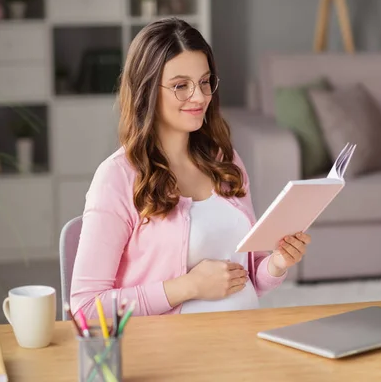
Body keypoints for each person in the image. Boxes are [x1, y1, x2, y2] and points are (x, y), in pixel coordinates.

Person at [70, 18, 311, 319]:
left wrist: (276, 263)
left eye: (205, 81)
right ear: (146, 90)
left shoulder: (225, 160)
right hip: (178, 350)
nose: (199, 97)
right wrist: (188, 287)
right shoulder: (116, 178)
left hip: (246, 336)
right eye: (180, 86)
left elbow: (249, 277)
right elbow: (86, 307)